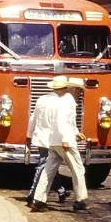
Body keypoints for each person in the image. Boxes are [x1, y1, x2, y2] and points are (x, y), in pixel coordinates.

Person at [31, 76, 88, 213]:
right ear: (73, 89)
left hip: (53, 141)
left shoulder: (61, 101)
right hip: (64, 141)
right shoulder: (68, 102)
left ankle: (39, 200)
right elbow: (62, 121)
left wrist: (75, 132)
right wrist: (66, 139)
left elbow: (66, 122)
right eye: (80, 90)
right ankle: (80, 200)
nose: (81, 94)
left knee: (48, 170)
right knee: (78, 169)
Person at [25, 77, 72, 208]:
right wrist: (66, 139)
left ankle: (61, 190)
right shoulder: (60, 103)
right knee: (44, 167)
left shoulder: (41, 99)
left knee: (49, 166)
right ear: (63, 89)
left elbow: (33, 118)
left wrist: (28, 135)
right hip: (53, 139)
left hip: (40, 137)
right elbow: (61, 123)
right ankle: (33, 195)